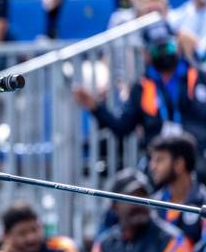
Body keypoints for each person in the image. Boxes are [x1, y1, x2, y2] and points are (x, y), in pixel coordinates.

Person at [73, 20, 206, 180]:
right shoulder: (141, 87)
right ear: (146, 53)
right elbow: (122, 126)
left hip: (197, 156)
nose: (164, 53)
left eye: (168, 46)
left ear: (177, 45)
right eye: (157, 49)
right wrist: (96, 107)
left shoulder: (200, 78)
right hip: (158, 161)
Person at [89, 168, 198, 252]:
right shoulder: (103, 246)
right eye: (131, 198)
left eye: (143, 196)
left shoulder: (172, 241)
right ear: (114, 206)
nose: (139, 204)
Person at [148, 133, 206, 252]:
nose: (152, 167)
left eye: (159, 160)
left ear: (179, 164)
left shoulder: (203, 202)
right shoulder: (151, 205)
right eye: (152, 160)